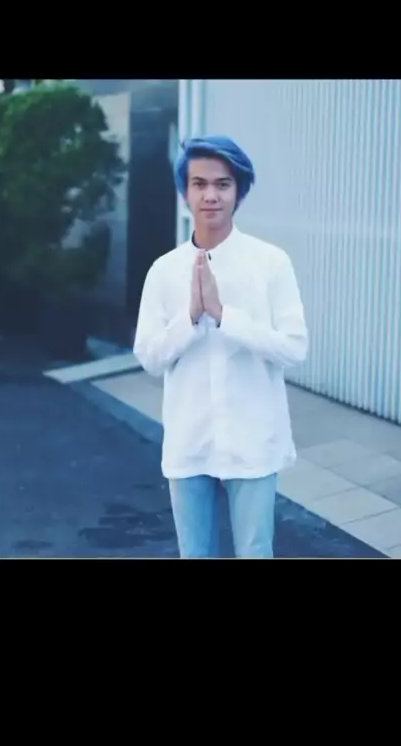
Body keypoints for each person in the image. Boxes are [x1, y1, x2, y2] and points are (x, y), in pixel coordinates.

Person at [133, 135, 308, 558]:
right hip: (189, 441)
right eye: (199, 184)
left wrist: (224, 315)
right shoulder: (163, 271)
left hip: (253, 439)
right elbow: (149, 356)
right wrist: (192, 316)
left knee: (255, 551)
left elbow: (294, 348)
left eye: (222, 184)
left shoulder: (270, 263)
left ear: (239, 192)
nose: (210, 195)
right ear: (185, 192)